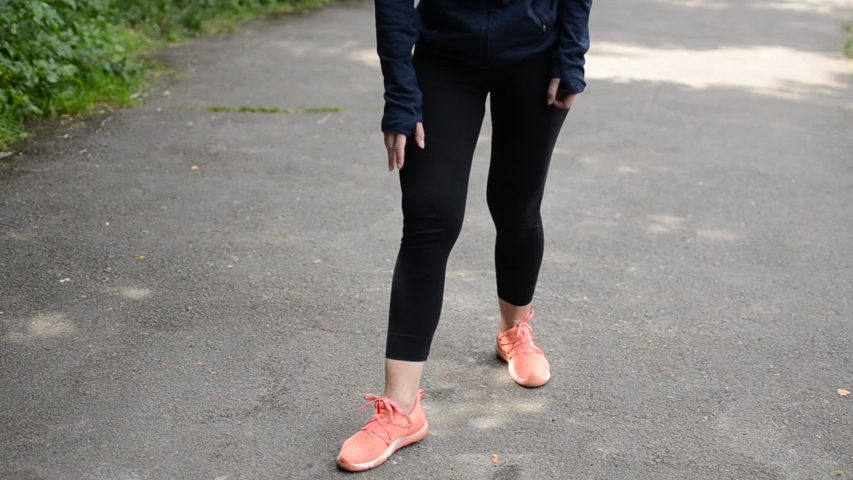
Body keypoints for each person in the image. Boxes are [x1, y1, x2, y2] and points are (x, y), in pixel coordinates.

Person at [336, 0, 592, 472]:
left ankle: (514, 330)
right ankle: (402, 408)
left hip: (534, 54)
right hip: (443, 56)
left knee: (516, 206)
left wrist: (571, 54)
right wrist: (400, 93)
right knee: (428, 216)